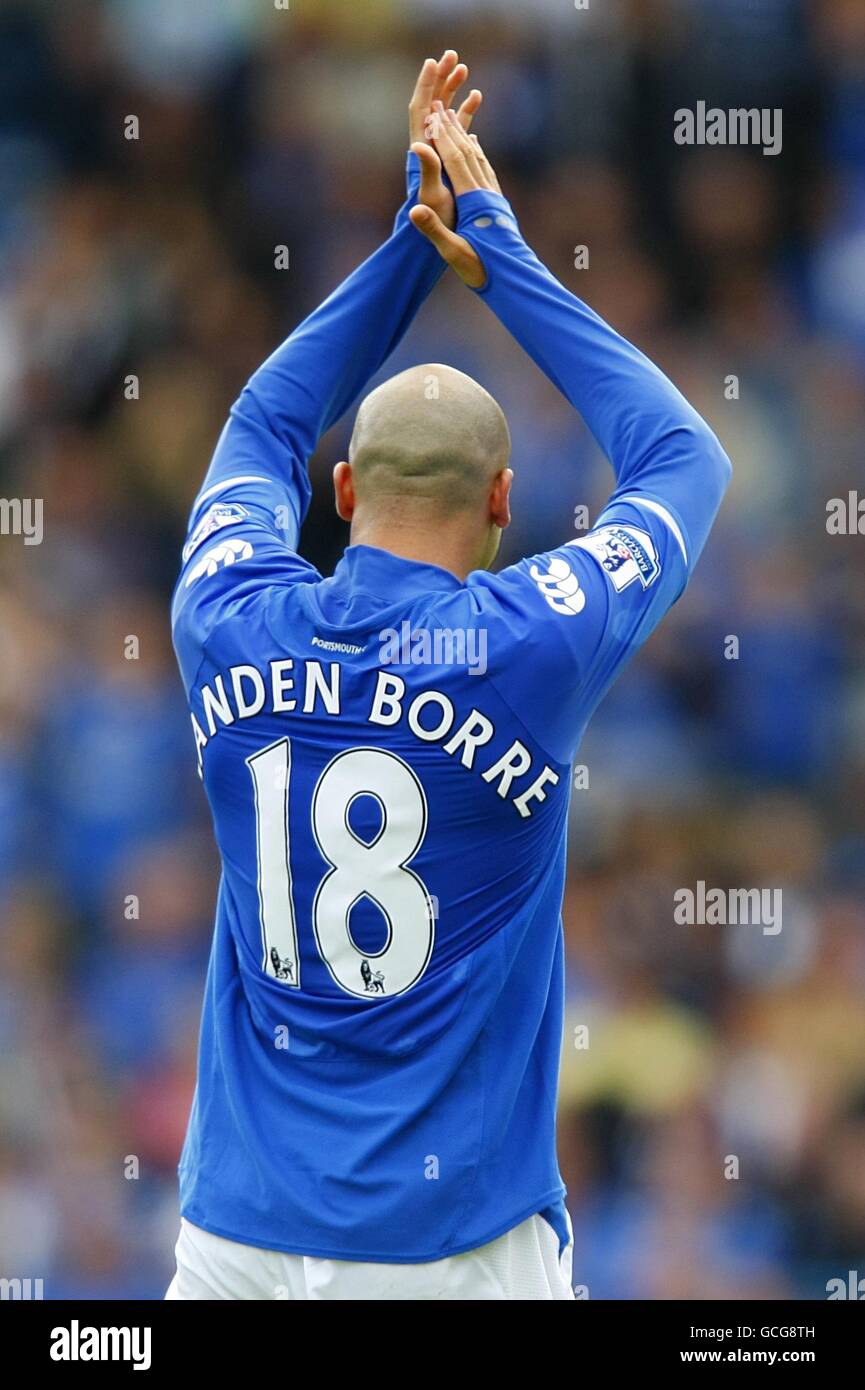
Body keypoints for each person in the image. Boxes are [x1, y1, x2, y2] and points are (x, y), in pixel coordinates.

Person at [166, 51, 731, 1300]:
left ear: (345, 489)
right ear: (502, 502)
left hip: (233, 1247)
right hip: (456, 1253)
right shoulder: (526, 644)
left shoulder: (226, 613)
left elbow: (259, 421)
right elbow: (683, 460)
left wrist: (406, 251)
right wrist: (495, 249)